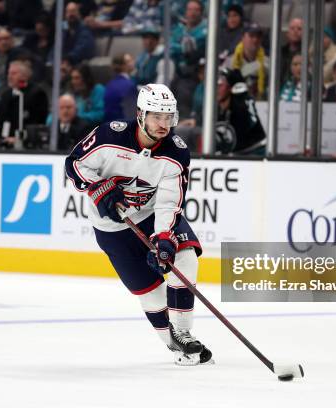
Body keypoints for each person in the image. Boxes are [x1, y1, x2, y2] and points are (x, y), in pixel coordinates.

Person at [64, 84, 212, 366]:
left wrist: (165, 237)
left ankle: (183, 332)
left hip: (150, 215)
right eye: (157, 116)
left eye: (169, 117)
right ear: (141, 114)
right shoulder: (110, 135)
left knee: (184, 257)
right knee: (152, 292)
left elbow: (169, 203)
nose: (163, 124)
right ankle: (172, 342)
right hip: (111, 230)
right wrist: (97, 188)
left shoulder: (176, 152)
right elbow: (74, 164)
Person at [0, 60, 49, 146]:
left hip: (28, 145)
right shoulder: (6, 95)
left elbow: (38, 123)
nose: (9, 76)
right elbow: (0, 120)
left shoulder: (37, 94)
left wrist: (21, 137)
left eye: (13, 73)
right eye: (9, 73)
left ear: (24, 76)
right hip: (5, 143)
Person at [170, 0, 208, 117]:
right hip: (177, 73)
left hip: (193, 75)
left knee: (183, 104)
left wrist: (180, 47)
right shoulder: (180, 29)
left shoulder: (205, 30)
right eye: (190, 9)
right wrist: (180, 47)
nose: (192, 13)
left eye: (196, 10)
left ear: (201, 12)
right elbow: (170, 46)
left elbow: (189, 49)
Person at [217, 68, 266, 154]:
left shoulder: (241, 108)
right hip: (236, 155)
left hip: (254, 152)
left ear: (230, 87)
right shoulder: (213, 108)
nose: (216, 89)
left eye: (220, 85)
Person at [226, 23, 270, 100]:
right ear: (243, 38)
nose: (255, 40)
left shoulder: (268, 62)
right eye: (251, 36)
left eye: (258, 37)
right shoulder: (230, 61)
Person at [104, 54, 137, 121]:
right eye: (129, 61)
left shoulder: (110, 84)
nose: (133, 62)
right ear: (123, 66)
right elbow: (132, 114)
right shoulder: (129, 85)